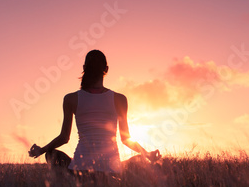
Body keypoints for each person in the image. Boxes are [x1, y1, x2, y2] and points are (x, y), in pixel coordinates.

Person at [28, 49, 160, 173]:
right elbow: (126, 139)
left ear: (84, 68)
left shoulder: (71, 99)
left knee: (51, 154)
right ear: (106, 69)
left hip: (80, 171)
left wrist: (42, 150)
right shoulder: (119, 99)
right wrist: (147, 154)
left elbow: (64, 138)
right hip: (111, 171)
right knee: (138, 160)